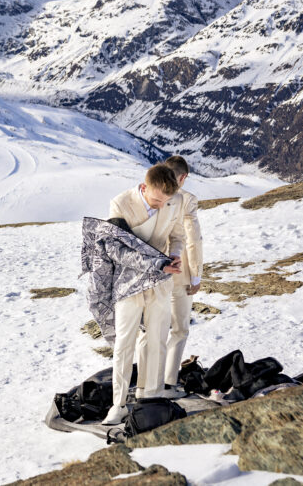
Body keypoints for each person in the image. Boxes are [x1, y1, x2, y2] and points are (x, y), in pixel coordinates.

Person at [102, 164, 185, 425]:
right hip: (129, 282)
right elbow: (118, 250)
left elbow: (177, 235)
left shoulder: (176, 200)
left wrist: (176, 254)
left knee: (158, 337)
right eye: (157, 200)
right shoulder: (120, 204)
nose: (162, 206)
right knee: (124, 342)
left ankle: (151, 394)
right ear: (144, 187)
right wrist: (156, 264)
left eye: (166, 201)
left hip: (161, 282)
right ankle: (119, 404)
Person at [158, 155, 203, 392]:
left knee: (154, 330)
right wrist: (195, 275)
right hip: (180, 273)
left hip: (154, 273)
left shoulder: (150, 195)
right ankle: (168, 382)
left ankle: (149, 381)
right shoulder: (187, 199)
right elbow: (192, 239)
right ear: (183, 177)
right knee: (179, 329)